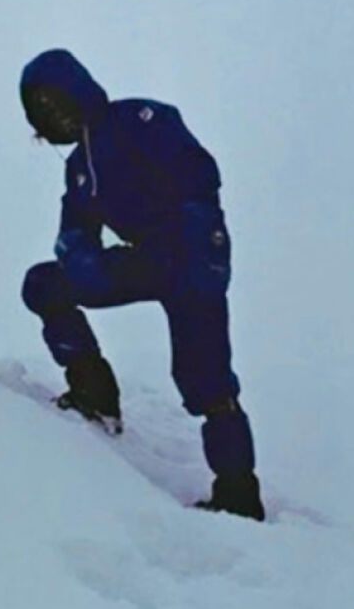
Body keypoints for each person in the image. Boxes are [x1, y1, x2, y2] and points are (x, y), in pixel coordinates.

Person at [19, 48, 265, 522]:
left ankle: (238, 494)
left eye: (54, 101)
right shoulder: (79, 169)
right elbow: (74, 228)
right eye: (40, 111)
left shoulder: (137, 119)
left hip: (190, 253)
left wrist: (206, 244)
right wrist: (78, 256)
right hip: (144, 260)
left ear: (76, 89)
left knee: (206, 379)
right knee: (45, 284)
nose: (52, 116)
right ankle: (94, 393)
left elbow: (197, 174)